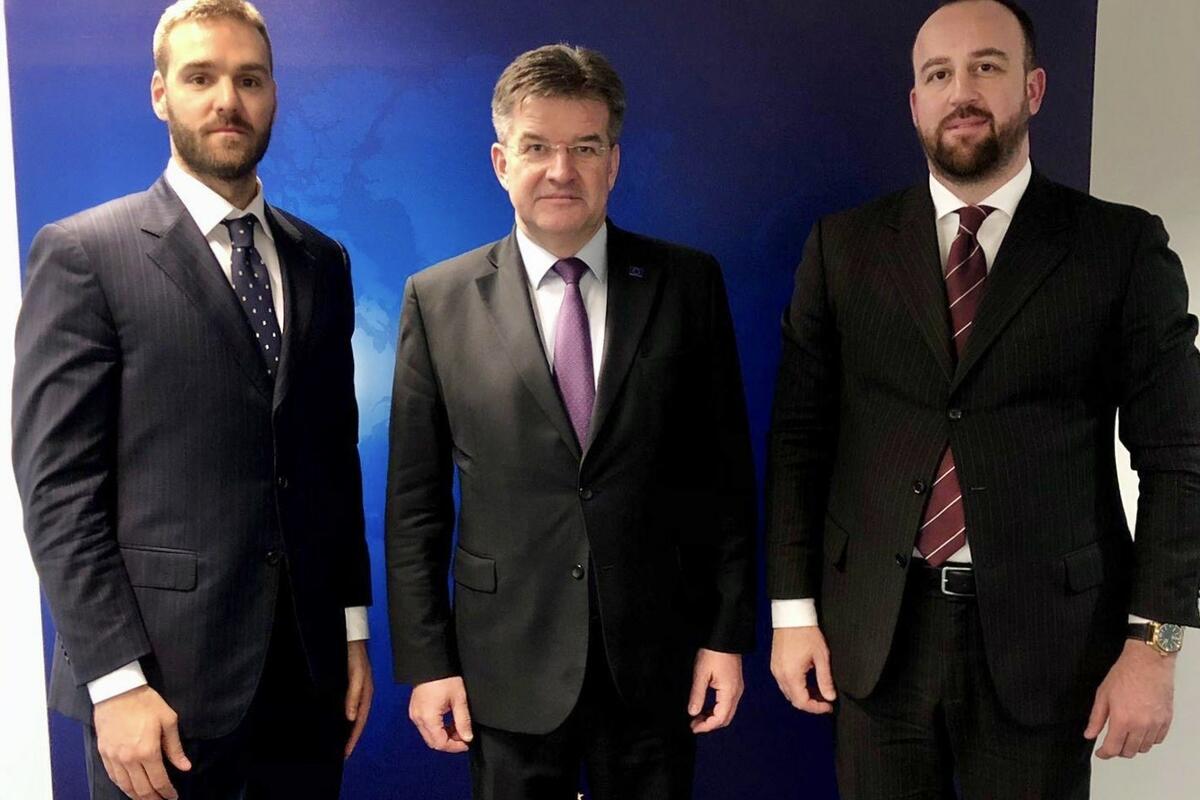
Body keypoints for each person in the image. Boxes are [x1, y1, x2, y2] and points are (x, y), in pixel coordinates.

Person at [765, 0, 1200, 796]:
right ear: (915, 103)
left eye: (986, 67)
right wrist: (792, 611)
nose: (961, 92)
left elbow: (1180, 457)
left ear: (1033, 88)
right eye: (939, 74)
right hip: (875, 636)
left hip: (1050, 646)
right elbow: (799, 439)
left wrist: (1155, 646)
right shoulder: (843, 248)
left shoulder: (1120, 247)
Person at [11, 1, 372, 797]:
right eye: (201, 77)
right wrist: (114, 681)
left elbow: (331, 460)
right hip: (158, 693)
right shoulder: (83, 255)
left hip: (307, 682)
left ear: (273, 94)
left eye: (250, 79)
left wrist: (350, 629)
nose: (227, 101)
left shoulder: (322, 261)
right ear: (160, 93)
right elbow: (57, 491)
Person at [385, 43, 756, 800]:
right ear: (501, 161)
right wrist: (427, 663)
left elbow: (723, 478)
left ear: (613, 163)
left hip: (655, 658)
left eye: (585, 147)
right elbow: (414, 506)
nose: (562, 170)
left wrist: (725, 635)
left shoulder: (688, 283)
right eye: (537, 148)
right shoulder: (438, 299)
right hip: (501, 664)